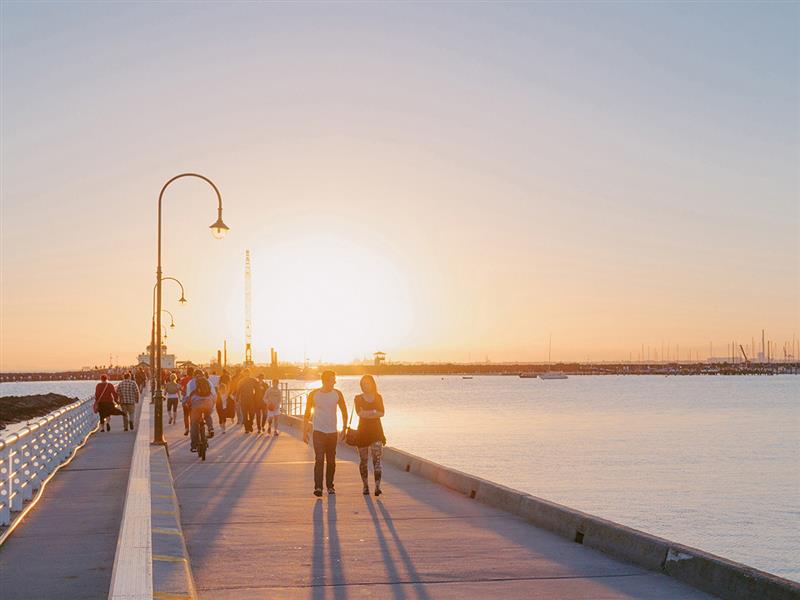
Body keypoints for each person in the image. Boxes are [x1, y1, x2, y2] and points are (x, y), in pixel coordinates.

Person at [303, 370, 348, 496]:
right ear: (325, 380)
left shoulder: (337, 394)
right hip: (318, 432)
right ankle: (318, 487)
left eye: (334, 380)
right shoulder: (314, 394)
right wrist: (304, 430)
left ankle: (330, 486)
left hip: (333, 432)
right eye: (332, 380)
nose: (334, 382)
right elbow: (307, 413)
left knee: (331, 461)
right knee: (319, 459)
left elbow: (344, 411)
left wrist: (344, 428)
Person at [354, 375, 386, 496]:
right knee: (363, 461)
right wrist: (374, 412)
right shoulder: (358, 398)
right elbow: (359, 413)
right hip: (362, 432)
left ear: (372, 384)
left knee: (377, 460)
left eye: (368, 383)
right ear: (361, 385)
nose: (366, 385)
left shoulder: (378, 397)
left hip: (377, 432)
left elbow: (382, 413)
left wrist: (368, 413)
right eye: (364, 383)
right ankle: (365, 485)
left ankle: (377, 487)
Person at [187, 375, 215, 453]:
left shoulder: (194, 392)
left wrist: (188, 406)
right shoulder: (209, 392)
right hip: (208, 404)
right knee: (208, 415)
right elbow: (214, 399)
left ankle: (194, 445)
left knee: (194, 424)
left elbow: (189, 401)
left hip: (196, 407)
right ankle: (210, 428)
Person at [179, 367, 195, 436]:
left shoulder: (184, 379)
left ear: (187, 372)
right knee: (193, 415)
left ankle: (186, 429)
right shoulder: (195, 380)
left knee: (186, 415)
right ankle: (192, 428)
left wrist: (183, 391)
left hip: (185, 400)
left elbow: (178, 387)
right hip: (194, 399)